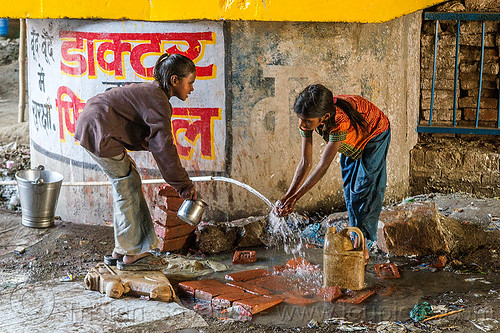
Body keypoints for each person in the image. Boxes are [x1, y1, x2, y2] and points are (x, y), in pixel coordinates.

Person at [75, 53, 198, 270]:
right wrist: (184, 187)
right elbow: (164, 148)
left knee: (127, 182)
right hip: (99, 131)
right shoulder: (158, 100)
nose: (192, 89)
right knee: (126, 185)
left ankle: (122, 250)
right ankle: (131, 253)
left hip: (93, 128)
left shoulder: (154, 95)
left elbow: (148, 135)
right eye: (190, 83)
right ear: (174, 80)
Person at [276, 84, 391, 260]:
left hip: (374, 135)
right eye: (301, 119)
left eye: (308, 121)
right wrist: (288, 196)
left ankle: (364, 246)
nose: (304, 124)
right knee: (350, 193)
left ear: (325, 117)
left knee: (364, 191)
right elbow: (305, 163)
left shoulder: (339, 122)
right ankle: (357, 239)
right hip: (352, 141)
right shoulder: (308, 120)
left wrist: (295, 198)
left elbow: (322, 166)